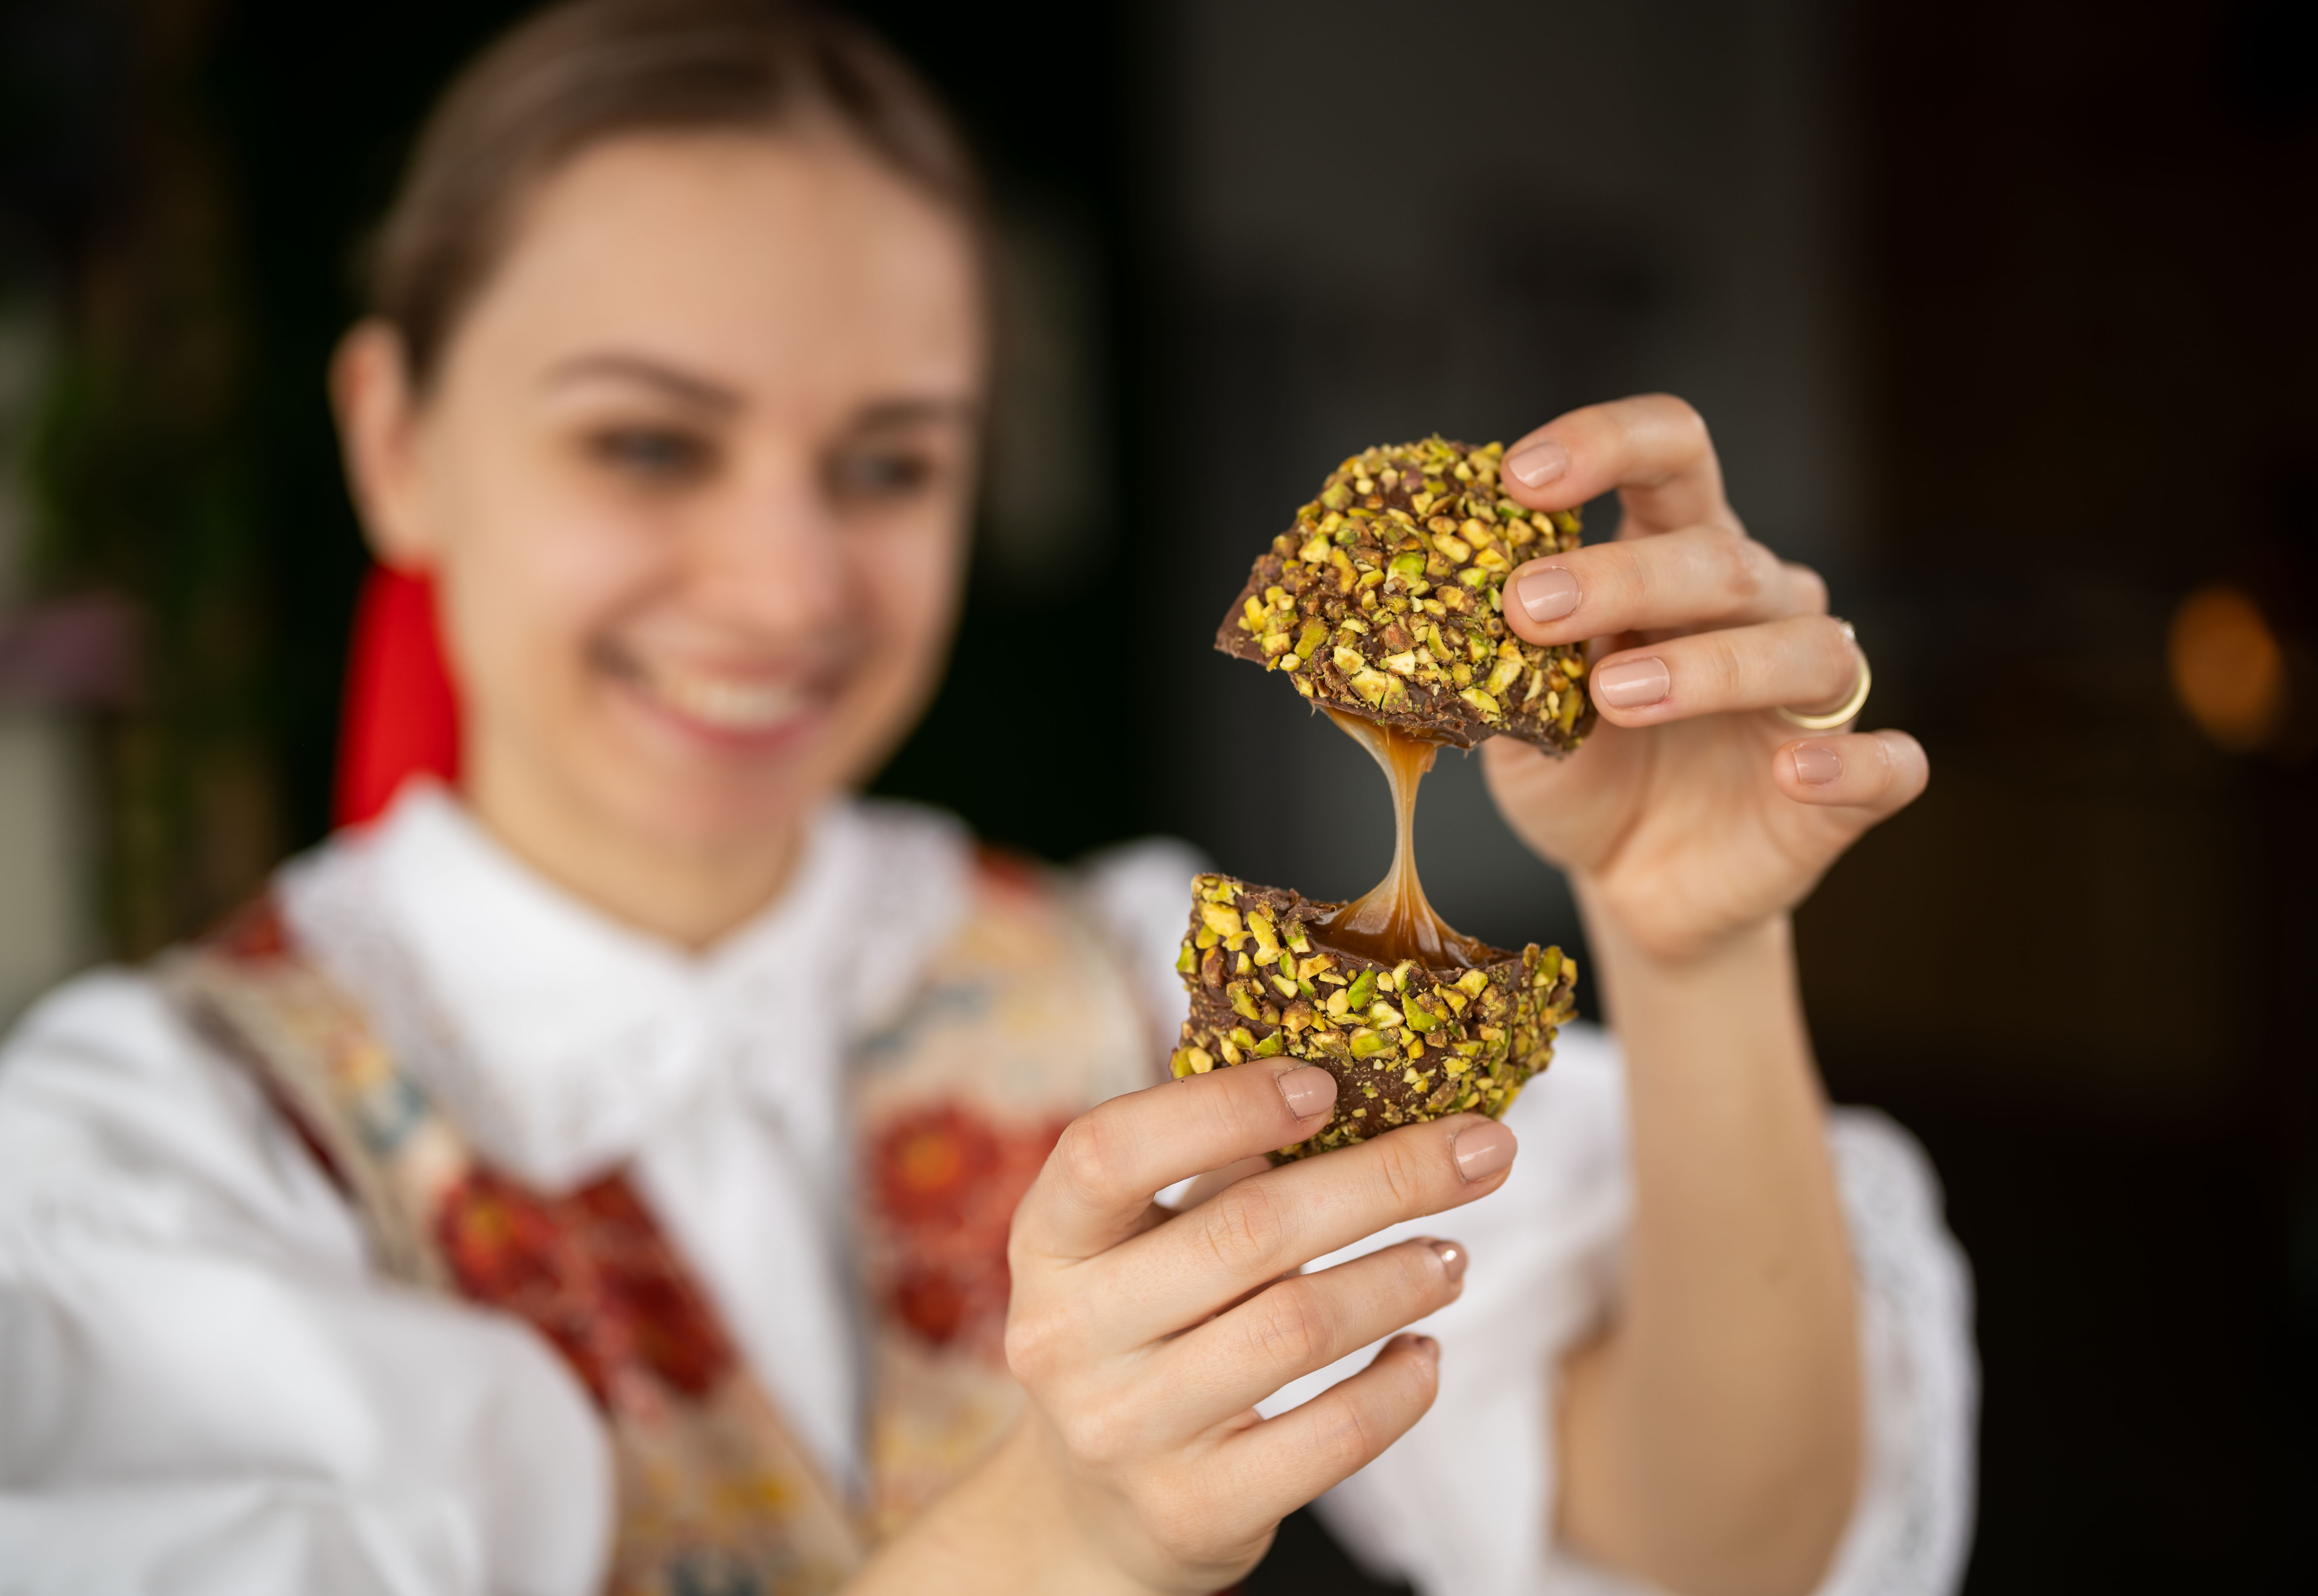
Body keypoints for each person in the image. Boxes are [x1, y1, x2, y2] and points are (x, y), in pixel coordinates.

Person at [0, 2, 1974, 1594]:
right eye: (649, 444)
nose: (786, 587)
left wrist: (1691, 946)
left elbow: (1718, 1550)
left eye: (890, 465)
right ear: (396, 442)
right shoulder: (156, 1169)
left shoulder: (1133, 983)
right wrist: (1059, 1542)